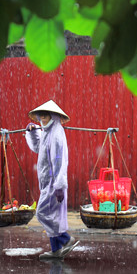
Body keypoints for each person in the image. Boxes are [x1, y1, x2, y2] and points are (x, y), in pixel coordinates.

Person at [25, 99, 79, 260]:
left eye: (45, 116)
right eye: (40, 116)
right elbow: (37, 148)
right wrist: (33, 133)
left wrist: (59, 186)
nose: (42, 119)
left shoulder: (56, 134)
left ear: (53, 116)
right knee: (53, 215)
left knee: (42, 213)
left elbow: (60, 160)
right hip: (47, 182)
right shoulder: (47, 132)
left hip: (54, 183)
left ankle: (66, 239)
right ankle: (56, 250)